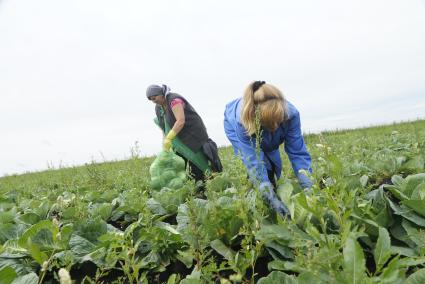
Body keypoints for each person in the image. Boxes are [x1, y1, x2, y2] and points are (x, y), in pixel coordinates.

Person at [223, 81, 313, 218]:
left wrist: (308, 185)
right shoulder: (242, 124)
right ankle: (260, 200)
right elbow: (254, 162)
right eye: (270, 123)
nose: (276, 127)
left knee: (272, 160)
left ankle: (270, 188)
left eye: (279, 120)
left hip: (265, 124)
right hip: (242, 126)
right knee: (261, 167)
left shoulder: (291, 114)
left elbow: (298, 152)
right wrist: (269, 196)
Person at [147, 84, 222, 186]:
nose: (154, 101)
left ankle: (206, 188)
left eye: (154, 98)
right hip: (178, 140)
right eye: (151, 100)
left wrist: (169, 137)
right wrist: (166, 141)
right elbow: (164, 126)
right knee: (181, 165)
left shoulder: (174, 100)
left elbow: (181, 121)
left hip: (192, 136)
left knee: (197, 163)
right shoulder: (158, 108)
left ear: (160, 94)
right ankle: (194, 189)